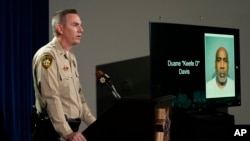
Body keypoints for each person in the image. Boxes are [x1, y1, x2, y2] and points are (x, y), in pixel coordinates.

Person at [32, 9, 96, 141]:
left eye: (80, 25)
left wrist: (96, 125)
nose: (81, 29)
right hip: (52, 133)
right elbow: (50, 97)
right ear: (60, 28)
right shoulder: (47, 56)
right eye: (75, 25)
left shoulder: (70, 57)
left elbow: (80, 99)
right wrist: (66, 132)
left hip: (70, 130)